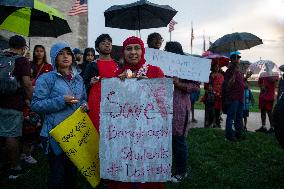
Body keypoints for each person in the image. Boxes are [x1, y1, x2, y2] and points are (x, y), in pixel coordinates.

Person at [108, 36, 164, 189]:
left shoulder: (155, 71)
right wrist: (116, 86)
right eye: (129, 48)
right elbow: (110, 107)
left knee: (145, 175)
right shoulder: (117, 74)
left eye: (137, 48)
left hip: (148, 135)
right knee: (126, 174)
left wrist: (149, 85)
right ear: (123, 52)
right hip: (124, 136)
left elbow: (164, 105)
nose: (133, 52)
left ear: (142, 51)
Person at [31, 42, 88, 189]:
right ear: (54, 57)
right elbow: (36, 104)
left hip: (74, 132)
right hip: (54, 134)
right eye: (61, 53)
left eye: (68, 53)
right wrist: (61, 101)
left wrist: (84, 105)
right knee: (57, 177)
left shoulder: (79, 78)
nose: (65, 56)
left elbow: (82, 99)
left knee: (71, 175)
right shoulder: (46, 79)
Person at [164, 41, 199, 182]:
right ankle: (166, 168)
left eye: (168, 50)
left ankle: (181, 171)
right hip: (163, 108)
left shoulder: (187, 67)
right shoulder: (163, 66)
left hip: (180, 109)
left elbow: (195, 87)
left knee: (179, 140)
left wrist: (179, 84)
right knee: (167, 141)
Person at [0, 35, 33, 179]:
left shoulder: (1, 57)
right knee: (11, 135)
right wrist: (32, 99)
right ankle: (15, 168)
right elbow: (26, 83)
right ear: (23, 47)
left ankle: (5, 163)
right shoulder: (21, 60)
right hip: (13, 104)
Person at [21, 45, 52, 165]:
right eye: (37, 51)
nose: (39, 53)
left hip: (43, 97)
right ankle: (27, 148)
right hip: (29, 96)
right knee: (31, 121)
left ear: (44, 53)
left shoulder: (49, 67)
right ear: (34, 52)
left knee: (43, 120)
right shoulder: (28, 64)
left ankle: (40, 141)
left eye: (41, 51)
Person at [86, 34, 119, 131]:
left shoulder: (118, 65)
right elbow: (84, 86)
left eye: (109, 43)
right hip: (95, 104)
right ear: (97, 47)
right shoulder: (92, 65)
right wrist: (90, 83)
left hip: (114, 104)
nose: (107, 45)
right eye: (103, 43)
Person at [222, 53, 245, 141]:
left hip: (240, 97)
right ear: (232, 60)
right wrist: (230, 81)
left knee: (239, 116)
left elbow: (240, 83)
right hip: (233, 97)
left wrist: (245, 78)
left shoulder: (238, 71)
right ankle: (229, 135)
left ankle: (239, 133)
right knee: (231, 116)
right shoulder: (229, 71)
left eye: (238, 59)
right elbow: (227, 85)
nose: (238, 60)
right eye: (237, 58)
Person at [255, 64, 278, 133]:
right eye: (266, 66)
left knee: (269, 112)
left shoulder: (275, 74)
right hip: (262, 96)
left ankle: (272, 127)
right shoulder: (262, 74)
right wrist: (261, 86)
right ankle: (263, 126)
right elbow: (259, 83)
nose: (267, 67)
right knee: (262, 111)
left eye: (269, 66)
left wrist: (269, 73)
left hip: (270, 97)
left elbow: (274, 81)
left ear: (272, 67)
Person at [210, 63, 224, 128]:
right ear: (213, 67)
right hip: (213, 95)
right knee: (213, 110)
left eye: (218, 67)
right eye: (215, 67)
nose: (217, 68)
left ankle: (218, 123)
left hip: (220, 95)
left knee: (219, 110)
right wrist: (212, 78)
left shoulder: (221, 75)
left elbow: (223, 84)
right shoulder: (211, 75)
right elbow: (209, 85)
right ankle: (213, 122)